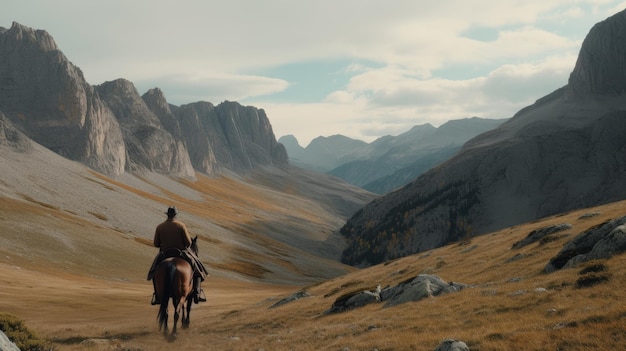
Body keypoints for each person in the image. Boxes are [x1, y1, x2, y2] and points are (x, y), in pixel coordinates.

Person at [147, 206, 207, 305]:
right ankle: (197, 293)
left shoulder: (160, 227)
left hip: (165, 254)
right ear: (175, 215)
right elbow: (188, 243)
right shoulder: (181, 226)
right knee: (197, 269)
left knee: (154, 271)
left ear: (167, 214)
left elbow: (156, 244)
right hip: (180, 253)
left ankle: (157, 295)